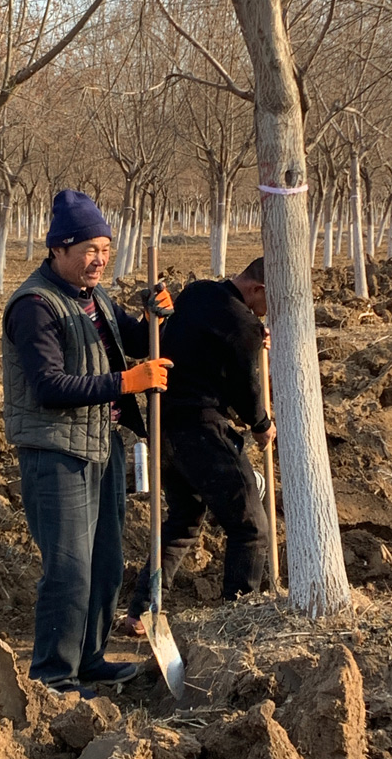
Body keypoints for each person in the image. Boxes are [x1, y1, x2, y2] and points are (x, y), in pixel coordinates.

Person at [2, 189, 173, 698]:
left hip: (102, 444)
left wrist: (155, 318)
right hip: (56, 452)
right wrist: (127, 383)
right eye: (88, 250)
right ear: (58, 249)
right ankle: (54, 676)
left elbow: (134, 345)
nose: (99, 260)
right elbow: (49, 387)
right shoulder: (35, 306)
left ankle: (91, 658)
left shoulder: (93, 297)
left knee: (105, 562)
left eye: (106, 248)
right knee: (69, 569)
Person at [125, 257, 276, 635]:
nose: (270, 310)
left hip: (165, 426)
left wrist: (254, 335)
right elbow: (247, 388)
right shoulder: (243, 324)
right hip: (203, 431)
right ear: (257, 288)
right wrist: (261, 425)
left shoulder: (198, 293)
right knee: (251, 529)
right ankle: (237, 621)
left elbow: (206, 345)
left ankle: (140, 612)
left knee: (184, 521)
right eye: (270, 300)